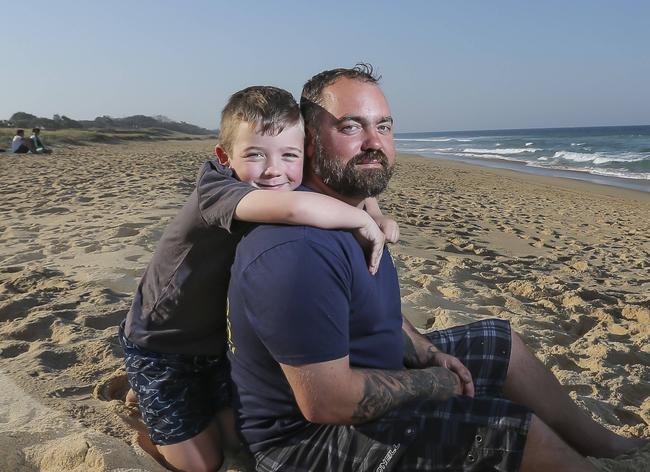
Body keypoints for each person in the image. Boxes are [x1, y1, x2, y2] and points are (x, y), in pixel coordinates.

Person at [226, 65, 647, 472]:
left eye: (384, 126)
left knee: (502, 344)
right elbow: (327, 402)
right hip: (308, 443)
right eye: (352, 127)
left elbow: (375, 313)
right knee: (509, 432)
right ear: (310, 141)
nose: (375, 142)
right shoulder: (297, 250)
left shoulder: (348, 212)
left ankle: (610, 447)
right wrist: (435, 382)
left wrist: (428, 353)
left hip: (366, 374)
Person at [119, 85, 395, 472]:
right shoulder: (217, 189)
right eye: (254, 155)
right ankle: (147, 406)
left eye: (289, 155)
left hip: (217, 341)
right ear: (224, 156)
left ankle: (145, 395)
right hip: (163, 343)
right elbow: (297, 207)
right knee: (202, 463)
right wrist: (361, 220)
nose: (273, 170)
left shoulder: (280, 173)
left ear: (306, 152)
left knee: (235, 434)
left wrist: (375, 209)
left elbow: (349, 189)